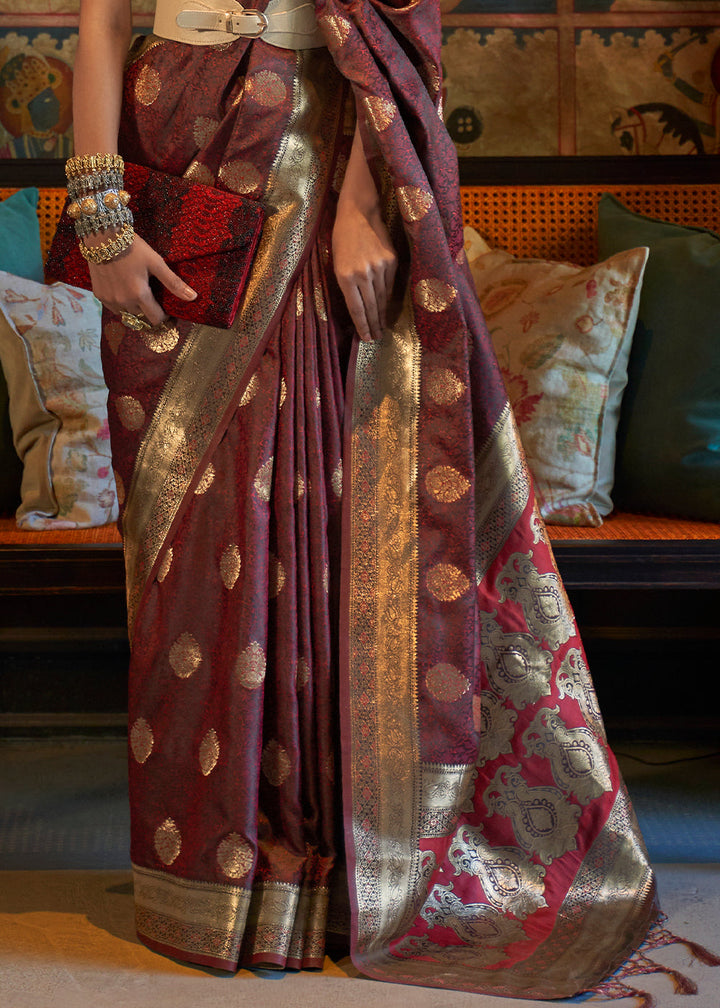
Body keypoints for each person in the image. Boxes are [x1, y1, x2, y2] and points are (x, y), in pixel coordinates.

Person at [67, 0, 708, 999]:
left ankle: (329, 872)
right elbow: (104, 21)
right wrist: (100, 219)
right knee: (188, 535)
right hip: (167, 164)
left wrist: (366, 204)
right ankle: (211, 875)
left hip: (315, 153)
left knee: (322, 509)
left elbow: (398, 26)